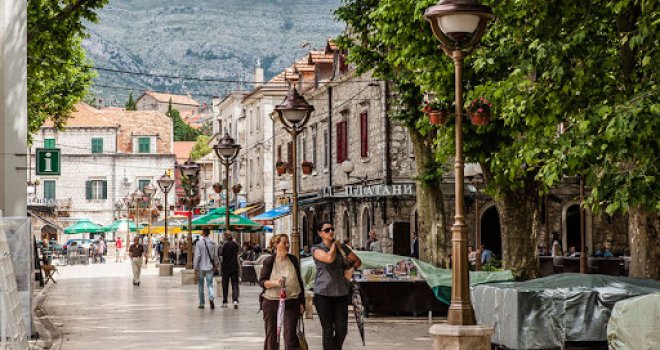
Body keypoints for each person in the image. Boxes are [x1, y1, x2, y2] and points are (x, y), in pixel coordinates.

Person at [312, 221, 362, 350]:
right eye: (327, 230)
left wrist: (349, 269)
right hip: (323, 293)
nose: (331, 232)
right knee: (328, 330)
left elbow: (357, 261)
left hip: (341, 292)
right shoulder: (317, 249)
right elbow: (329, 259)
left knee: (342, 329)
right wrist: (334, 246)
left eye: (332, 229)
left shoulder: (343, 248)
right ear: (320, 233)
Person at [259, 234, 305, 350]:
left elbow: (299, 282)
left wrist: (302, 302)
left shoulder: (293, 260)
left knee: (290, 335)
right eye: (284, 243)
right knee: (272, 335)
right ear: (276, 245)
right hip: (271, 302)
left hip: (292, 301)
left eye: (288, 242)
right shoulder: (269, 261)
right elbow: (262, 282)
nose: (287, 245)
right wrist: (276, 283)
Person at [194, 227, 218, 310]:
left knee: (200, 285)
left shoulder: (199, 243)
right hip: (210, 267)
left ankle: (201, 303)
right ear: (209, 233)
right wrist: (216, 265)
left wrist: (195, 267)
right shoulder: (213, 243)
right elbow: (215, 256)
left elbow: (197, 256)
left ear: (203, 233)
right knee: (210, 284)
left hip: (201, 267)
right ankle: (211, 298)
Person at [220, 231, 240, 308]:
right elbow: (237, 255)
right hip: (234, 266)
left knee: (225, 285)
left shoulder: (224, 245)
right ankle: (235, 300)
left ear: (225, 236)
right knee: (235, 284)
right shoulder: (236, 244)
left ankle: (225, 301)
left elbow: (221, 256)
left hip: (226, 267)